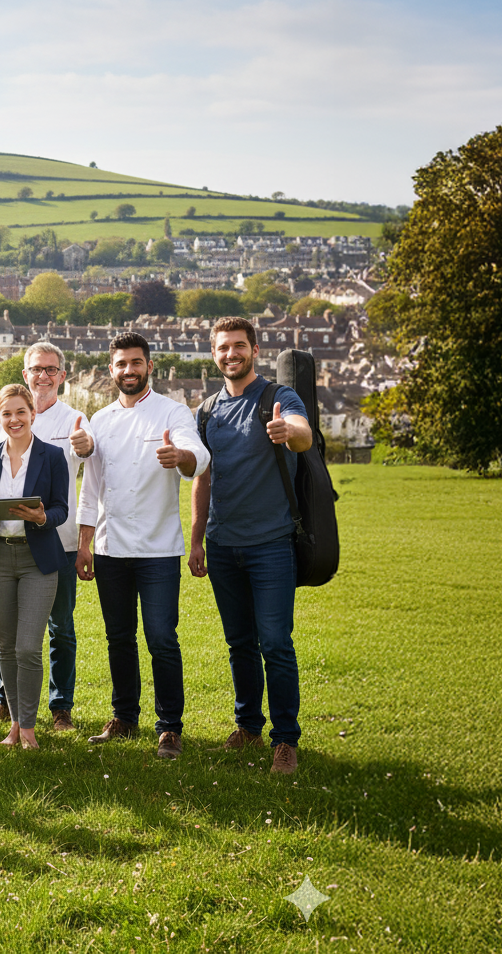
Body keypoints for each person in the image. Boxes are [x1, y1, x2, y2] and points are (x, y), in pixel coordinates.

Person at [189, 316, 313, 775]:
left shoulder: (277, 397)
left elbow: (302, 432)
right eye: (223, 348)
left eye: (239, 346)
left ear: (255, 350)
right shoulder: (206, 411)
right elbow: (204, 476)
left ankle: (285, 740)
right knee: (239, 643)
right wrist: (198, 537)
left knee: (276, 643)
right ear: (214, 352)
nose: (230, 355)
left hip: (270, 545)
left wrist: (288, 433)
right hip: (222, 545)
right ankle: (248, 726)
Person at [76, 333, 209, 759]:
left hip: (158, 548)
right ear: (111, 370)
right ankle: (125, 716)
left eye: (136, 363)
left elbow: (197, 455)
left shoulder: (172, 412)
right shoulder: (100, 419)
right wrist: (84, 544)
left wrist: (180, 459)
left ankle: (169, 727)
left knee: (161, 637)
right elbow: (90, 488)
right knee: (118, 637)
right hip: (111, 547)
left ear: (149, 366)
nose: (129, 370)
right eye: (121, 364)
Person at [0, 341, 94, 731]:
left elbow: (90, 470)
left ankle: (60, 706)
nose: (42, 375)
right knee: (9, 632)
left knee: (61, 626)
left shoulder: (75, 419)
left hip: (57, 545)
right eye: (35, 369)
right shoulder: (4, 419)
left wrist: (87, 445)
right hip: (7, 545)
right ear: (24, 375)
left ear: (61, 376)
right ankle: (5, 702)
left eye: (50, 369)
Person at [0, 385, 71, 750]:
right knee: (7, 645)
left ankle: (28, 727)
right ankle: (15, 725)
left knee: (28, 647)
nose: (14, 420)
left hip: (38, 561)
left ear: (32, 413)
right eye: (7, 414)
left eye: (20, 412)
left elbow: (62, 509)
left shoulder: (52, 456)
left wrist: (43, 516)